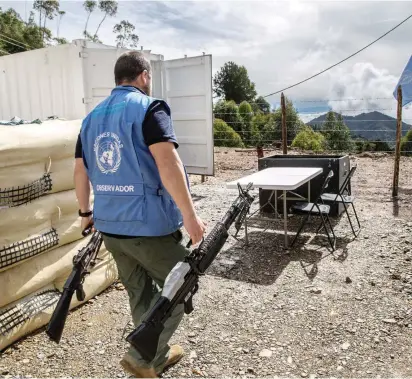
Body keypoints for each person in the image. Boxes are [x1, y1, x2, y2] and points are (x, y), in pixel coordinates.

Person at [73, 50, 206, 378]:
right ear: (144, 76)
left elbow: (80, 170)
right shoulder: (150, 108)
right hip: (149, 226)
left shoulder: (90, 120)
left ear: (117, 78)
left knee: (140, 291)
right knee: (181, 284)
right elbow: (167, 163)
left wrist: (85, 212)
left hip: (110, 228)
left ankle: (154, 357)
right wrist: (190, 215)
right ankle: (141, 356)